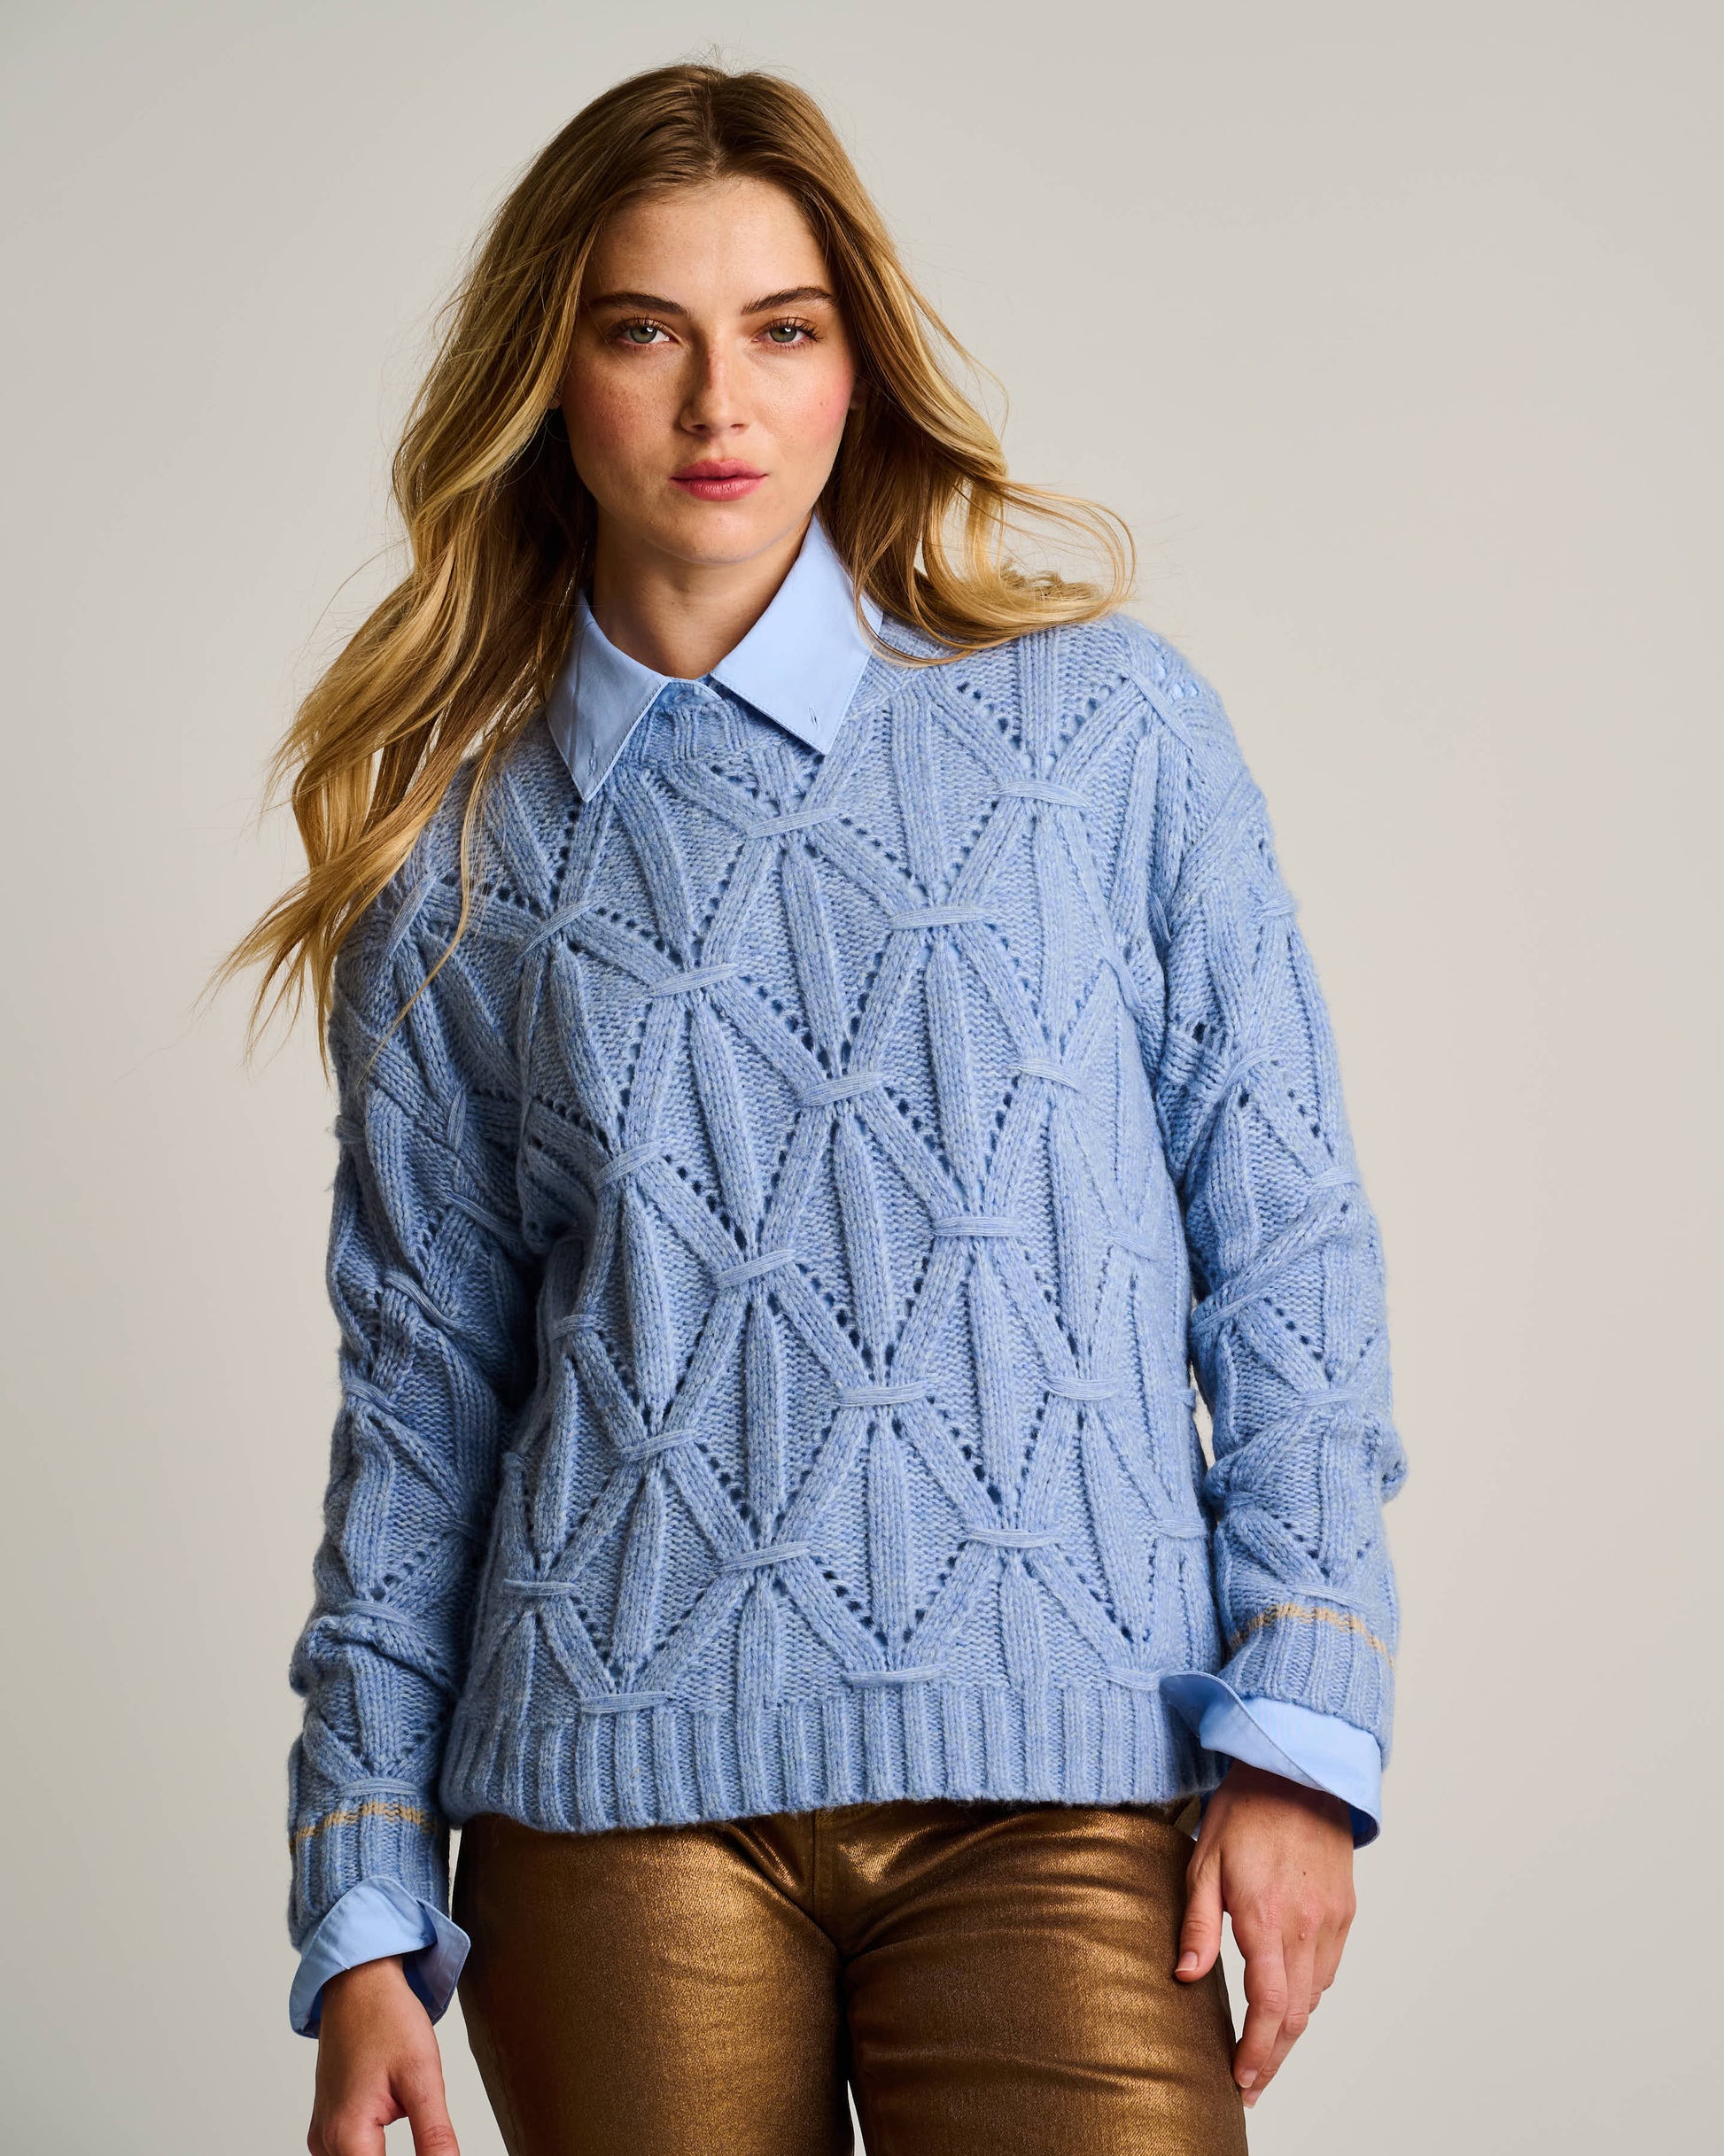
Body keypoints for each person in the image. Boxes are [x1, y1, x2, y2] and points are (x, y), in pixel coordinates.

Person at [221, 59, 1406, 2156]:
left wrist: (1300, 1716)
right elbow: (419, 1406)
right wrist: (366, 1886)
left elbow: (1284, 1233)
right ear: (549, 372)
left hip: (1065, 1774)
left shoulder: (1100, 733)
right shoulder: (455, 862)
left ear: (857, 364)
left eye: (780, 329)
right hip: (608, 1800)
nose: (718, 404)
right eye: (641, 330)